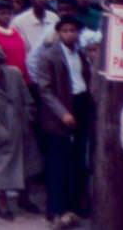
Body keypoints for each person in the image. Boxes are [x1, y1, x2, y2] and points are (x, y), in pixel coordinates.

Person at [37, 15, 92, 226]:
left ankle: (74, 206)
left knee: (77, 160)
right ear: (59, 33)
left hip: (80, 103)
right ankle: (55, 210)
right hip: (59, 112)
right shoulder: (49, 56)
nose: (70, 34)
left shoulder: (81, 54)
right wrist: (63, 113)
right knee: (57, 162)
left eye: (73, 30)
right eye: (65, 30)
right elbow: (45, 89)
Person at [0, 50, 42, 220]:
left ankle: (24, 198)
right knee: (3, 169)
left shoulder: (14, 73)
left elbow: (26, 96)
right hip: (4, 132)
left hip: (22, 126)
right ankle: (3, 205)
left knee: (27, 165)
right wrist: (1, 135)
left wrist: (29, 114)